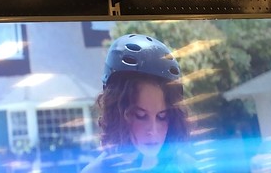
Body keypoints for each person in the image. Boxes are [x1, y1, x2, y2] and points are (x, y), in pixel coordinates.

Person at [82, 33, 198, 173]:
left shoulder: (187, 168)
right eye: (140, 116)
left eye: (162, 116)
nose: (153, 131)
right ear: (117, 114)